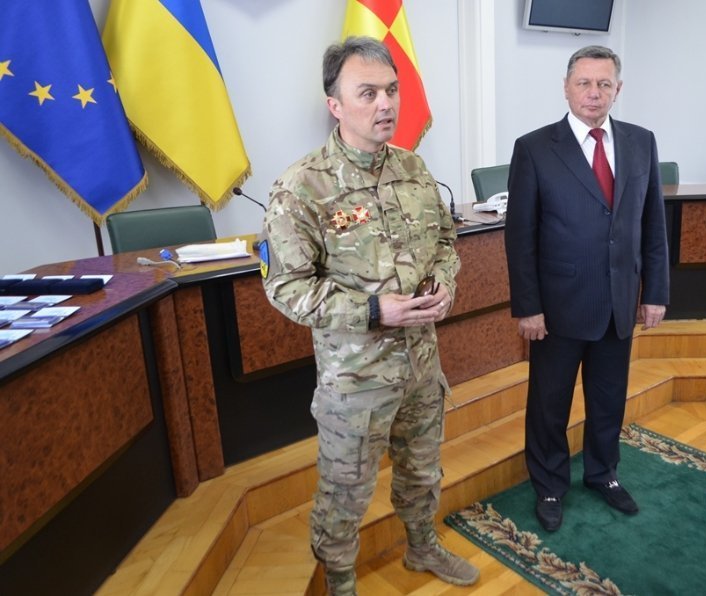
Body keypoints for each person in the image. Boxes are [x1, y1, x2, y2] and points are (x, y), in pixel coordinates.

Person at [259, 36, 478, 595]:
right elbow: (286, 287)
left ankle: (422, 547)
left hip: (421, 366)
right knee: (345, 491)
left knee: (422, 471)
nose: (386, 104)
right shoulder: (302, 187)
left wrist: (445, 284)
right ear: (335, 104)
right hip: (356, 380)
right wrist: (374, 309)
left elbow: (446, 242)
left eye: (391, 90)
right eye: (368, 93)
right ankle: (339, 581)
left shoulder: (414, 169)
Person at [504, 45, 669, 532]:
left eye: (603, 84)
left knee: (609, 400)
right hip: (557, 307)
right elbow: (520, 236)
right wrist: (528, 307)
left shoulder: (641, 142)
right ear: (566, 88)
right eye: (584, 83)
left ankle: (603, 474)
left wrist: (655, 291)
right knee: (549, 404)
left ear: (618, 89)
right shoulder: (535, 147)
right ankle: (549, 485)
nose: (593, 93)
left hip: (619, 301)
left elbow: (652, 223)